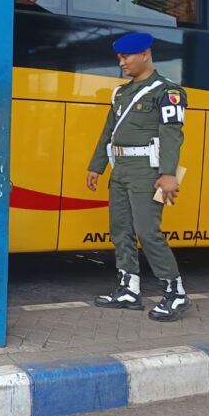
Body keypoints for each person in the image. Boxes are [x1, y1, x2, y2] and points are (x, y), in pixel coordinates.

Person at [87, 32, 191, 322]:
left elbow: (172, 135)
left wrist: (168, 174)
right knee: (120, 229)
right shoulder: (121, 93)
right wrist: (96, 166)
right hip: (120, 168)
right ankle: (128, 289)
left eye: (126, 56)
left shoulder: (166, 92)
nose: (122, 62)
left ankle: (175, 292)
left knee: (148, 231)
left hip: (148, 170)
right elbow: (108, 131)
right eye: (119, 57)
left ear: (145, 54)